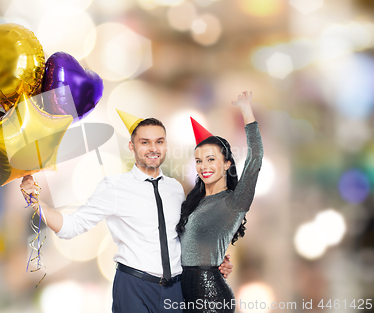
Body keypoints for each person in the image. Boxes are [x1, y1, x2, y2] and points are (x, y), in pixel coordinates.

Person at [20, 110, 233, 313]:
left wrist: (213, 260)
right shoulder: (114, 187)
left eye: (159, 142)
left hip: (175, 290)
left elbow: (182, 237)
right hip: (134, 287)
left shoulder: (175, 188)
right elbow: (70, 227)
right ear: (131, 146)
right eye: (145, 142)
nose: (153, 148)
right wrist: (37, 203)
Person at [176, 91, 264, 312]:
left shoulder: (234, 202)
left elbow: (255, 159)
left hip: (211, 295)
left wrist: (246, 110)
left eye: (211, 159)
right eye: (199, 161)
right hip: (182, 291)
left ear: (226, 164)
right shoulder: (192, 202)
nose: (204, 166)